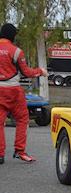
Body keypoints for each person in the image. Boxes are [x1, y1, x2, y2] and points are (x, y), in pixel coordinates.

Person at [0, 23, 48, 164]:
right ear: (12, 35)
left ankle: (0, 155)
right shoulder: (16, 51)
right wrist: (40, 71)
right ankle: (19, 151)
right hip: (13, 91)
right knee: (22, 119)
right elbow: (26, 72)